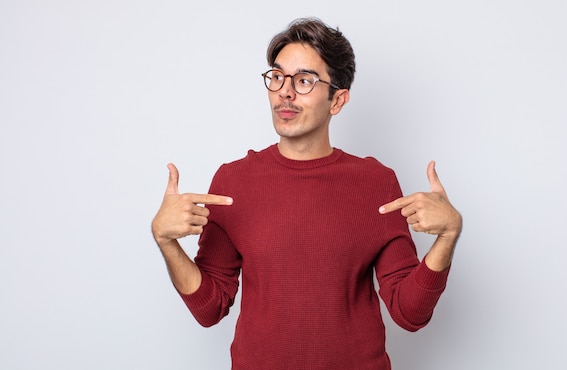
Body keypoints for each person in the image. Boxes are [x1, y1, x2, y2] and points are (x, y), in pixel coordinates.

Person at [151, 17, 462, 370]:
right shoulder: (232, 182)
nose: (285, 91)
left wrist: (447, 238)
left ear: (337, 100)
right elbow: (210, 308)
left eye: (303, 81)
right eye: (277, 77)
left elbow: (409, 313)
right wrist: (166, 242)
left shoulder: (377, 182)